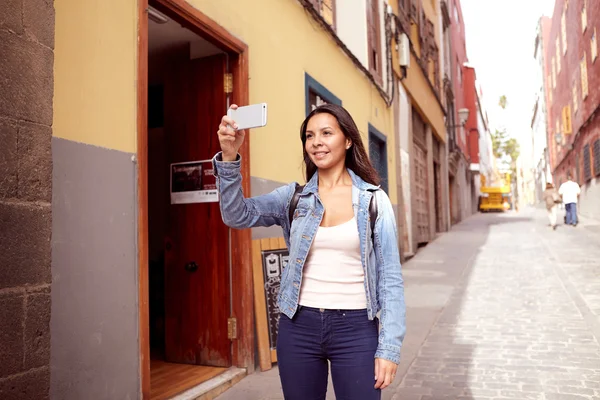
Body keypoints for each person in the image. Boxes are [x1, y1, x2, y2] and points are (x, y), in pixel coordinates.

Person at [213, 103, 406, 400]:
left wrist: (389, 349)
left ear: (348, 140)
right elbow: (236, 215)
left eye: (327, 133)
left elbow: (391, 279)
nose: (316, 142)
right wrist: (229, 156)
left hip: (356, 329)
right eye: (309, 135)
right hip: (298, 325)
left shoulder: (373, 201)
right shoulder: (292, 197)